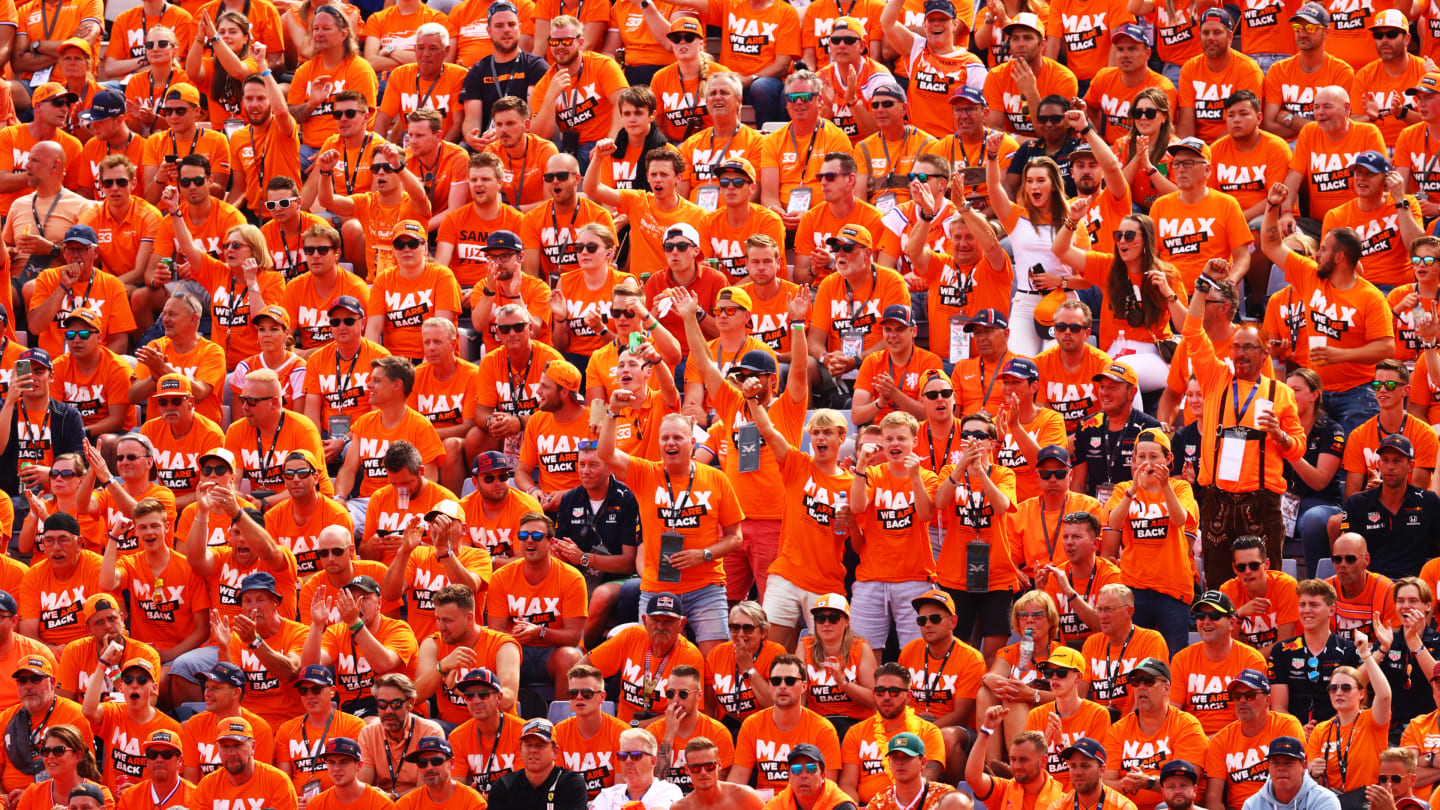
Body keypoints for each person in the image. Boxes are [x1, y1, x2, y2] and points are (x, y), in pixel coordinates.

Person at [1101, 429, 1200, 655]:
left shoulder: (1180, 488)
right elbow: (1114, 523)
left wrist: (1165, 486)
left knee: (1173, 659)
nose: (1147, 463)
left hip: (1173, 589)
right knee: (1136, 659)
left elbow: (1179, 519)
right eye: (1141, 457)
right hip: (1134, 588)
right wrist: (1132, 491)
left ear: (1168, 460)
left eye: (1154, 457)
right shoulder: (1122, 489)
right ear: (1133, 460)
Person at [484, 511, 585, 701]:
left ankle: (562, 721)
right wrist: (518, 636)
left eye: (537, 536)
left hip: (554, 651)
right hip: (515, 649)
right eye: (523, 536)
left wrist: (540, 632)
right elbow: (496, 632)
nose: (529, 541)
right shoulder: (501, 577)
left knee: (570, 657)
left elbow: (572, 637)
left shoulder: (572, 578)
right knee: (490, 652)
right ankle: (505, 719)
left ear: (551, 542)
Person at [581, 593, 706, 726]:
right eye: (655, 620)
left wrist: (637, 727)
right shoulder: (630, 637)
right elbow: (582, 670)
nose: (661, 627)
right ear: (645, 621)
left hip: (665, 734)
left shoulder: (690, 656)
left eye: (668, 621)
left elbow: (688, 713)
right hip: (622, 731)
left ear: (682, 624)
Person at [300, 575, 417, 716]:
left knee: (368, 726)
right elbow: (309, 667)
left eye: (364, 599)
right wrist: (317, 625)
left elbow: (384, 663)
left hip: (395, 706)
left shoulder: (399, 629)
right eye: (352, 598)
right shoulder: (337, 632)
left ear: (379, 603)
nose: (357, 604)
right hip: (351, 710)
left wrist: (355, 624)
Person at [1100, 661, 1208, 810]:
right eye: (1136, 682)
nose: (1141, 687)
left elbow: (1185, 782)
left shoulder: (1186, 726)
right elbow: (1105, 783)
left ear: (1166, 688)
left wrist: (1148, 782)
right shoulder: (1118, 729)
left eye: (1149, 681)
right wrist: (1127, 784)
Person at [730, 654, 842, 794]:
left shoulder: (823, 730)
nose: (782, 686)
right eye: (776, 681)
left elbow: (828, 789)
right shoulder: (752, 724)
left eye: (790, 681)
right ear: (770, 686)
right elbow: (737, 779)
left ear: (804, 686)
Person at [412, 584, 521, 724]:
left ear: (469, 617)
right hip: (450, 729)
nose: (440, 627)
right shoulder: (433, 644)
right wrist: (442, 666)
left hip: (495, 728)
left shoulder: (503, 646)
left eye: (448, 621)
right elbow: (415, 696)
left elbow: (507, 701)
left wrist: (459, 690)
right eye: (438, 619)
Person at [1336, 434, 1440, 579]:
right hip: (1371, 585)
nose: (1390, 467)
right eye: (1385, 460)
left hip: (1413, 587)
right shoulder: (1358, 504)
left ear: (1411, 466)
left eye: (1397, 461)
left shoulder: (1428, 502)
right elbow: (1346, 553)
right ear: (1378, 465)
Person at [838, 662, 944, 804]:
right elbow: (847, 784)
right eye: (880, 691)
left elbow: (926, 781)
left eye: (894, 691)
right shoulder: (856, 732)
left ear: (908, 697)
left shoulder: (929, 732)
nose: (886, 697)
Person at [1204, 669, 1305, 810]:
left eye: (1250, 695)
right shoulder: (1222, 739)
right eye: (1237, 696)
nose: (1242, 701)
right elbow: (1213, 799)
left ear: (1268, 700)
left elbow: (1299, 780)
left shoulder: (1286, 726)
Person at [1167, 592, 1267, 734]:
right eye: (1200, 616)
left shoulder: (1251, 660)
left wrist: (1214, 742)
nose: (1206, 621)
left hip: (1237, 740)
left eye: (1214, 616)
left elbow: (1254, 718)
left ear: (1232, 623)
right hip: (1194, 740)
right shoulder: (1182, 659)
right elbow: (1173, 713)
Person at [1306, 634, 1392, 793]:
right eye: (1333, 688)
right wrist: (1312, 771)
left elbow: (1385, 696)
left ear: (1361, 694)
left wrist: (1365, 654)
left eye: (1346, 688)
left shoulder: (1372, 720)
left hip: (1369, 801)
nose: (1338, 693)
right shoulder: (1320, 730)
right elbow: (1313, 781)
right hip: (1334, 802)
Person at [1284, 368, 1346, 580]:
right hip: (1284, 502)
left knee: (1313, 520)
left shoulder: (1331, 429)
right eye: (1286, 390)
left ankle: (1317, 587)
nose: (1290, 396)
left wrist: (1288, 449)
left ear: (1314, 395)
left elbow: (1320, 481)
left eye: (1296, 390)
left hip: (1322, 502)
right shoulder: (1281, 427)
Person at [1270, 579, 1361, 725]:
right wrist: (1299, 730)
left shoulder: (1348, 650)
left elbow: (1355, 704)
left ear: (1331, 610)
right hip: (1295, 733)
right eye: (1302, 605)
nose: (1306, 610)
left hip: (1338, 730)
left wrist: (1322, 732)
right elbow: (1278, 707)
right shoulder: (1282, 650)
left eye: (1314, 605)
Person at [272, 665, 366, 793]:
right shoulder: (286, 730)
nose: (309, 696)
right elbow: (284, 781)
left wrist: (322, 802)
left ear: (332, 691)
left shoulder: (354, 726)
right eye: (303, 691)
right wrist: (294, 802)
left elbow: (360, 779)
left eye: (316, 689)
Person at [457, 4, 549, 135]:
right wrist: (472, 137)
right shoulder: (478, 70)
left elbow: (534, 116)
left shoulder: (535, 66)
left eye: (511, 24)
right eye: (499, 26)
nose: (506, 30)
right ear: (488, 31)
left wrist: (503, 135)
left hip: (523, 140)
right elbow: (471, 120)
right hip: (487, 143)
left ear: (520, 28)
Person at [1080, 584, 1171, 717]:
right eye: (1099, 609)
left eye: (1108, 610)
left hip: (1136, 726)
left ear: (1129, 612)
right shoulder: (1092, 643)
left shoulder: (1150, 640)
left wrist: (1120, 732)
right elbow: (1078, 695)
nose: (1102, 616)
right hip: (1101, 724)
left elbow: (1148, 698)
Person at [178, 663, 274, 780]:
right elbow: (191, 783)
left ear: (236, 692)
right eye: (207, 687)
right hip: (205, 797)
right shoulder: (195, 725)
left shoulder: (259, 729)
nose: (207, 694)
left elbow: (260, 781)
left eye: (216, 688)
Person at [356, 674, 444, 799]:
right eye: (382, 704)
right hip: (381, 804)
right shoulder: (368, 733)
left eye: (396, 703)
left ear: (411, 703)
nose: (388, 711)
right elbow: (363, 786)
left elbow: (427, 788)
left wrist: (394, 797)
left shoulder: (431, 732)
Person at [651, 664, 736, 790]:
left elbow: (719, 788)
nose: (676, 700)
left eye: (683, 694)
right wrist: (669, 735)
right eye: (670, 693)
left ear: (699, 696)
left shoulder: (718, 732)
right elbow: (655, 782)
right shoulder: (653, 732)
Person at [1218, 535, 1300, 659]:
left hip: (1287, 661)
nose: (1247, 571)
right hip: (1248, 666)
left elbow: (1285, 645)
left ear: (1266, 564)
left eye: (1254, 565)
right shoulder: (1227, 591)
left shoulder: (1287, 586)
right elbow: (1225, 645)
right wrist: (1239, 616)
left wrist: (1247, 659)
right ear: (1234, 568)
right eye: (1241, 567)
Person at [552, 663, 627, 797]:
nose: (579, 697)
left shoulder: (621, 733)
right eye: (573, 693)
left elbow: (620, 792)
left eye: (587, 693)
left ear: (602, 697)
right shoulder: (558, 733)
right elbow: (558, 789)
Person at [190, 717, 297, 810]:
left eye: (237, 745)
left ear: (253, 747)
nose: (231, 753)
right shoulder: (207, 786)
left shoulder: (278, 782)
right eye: (225, 746)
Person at [448, 667, 523, 795]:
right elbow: (456, 790)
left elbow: (524, 786)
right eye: (470, 696)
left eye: (484, 695)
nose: (476, 701)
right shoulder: (457, 737)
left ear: (499, 698)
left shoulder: (521, 731)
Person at [487, 719, 590, 809]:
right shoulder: (504, 786)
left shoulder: (571, 784)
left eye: (540, 745)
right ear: (520, 750)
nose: (533, 750)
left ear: (555, 752)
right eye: (528, 745)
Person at [967, 715, 1065, 809]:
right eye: (1013, 759)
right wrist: (985, 731)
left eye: (1023, 760)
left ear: (1043, 761)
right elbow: (973, 777)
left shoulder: (1063, 801)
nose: (1017, 766)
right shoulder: (1003, 790)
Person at [590, 728, 683, 810]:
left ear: (653, 761)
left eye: (636, 755)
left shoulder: (668, 791)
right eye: (623, 756)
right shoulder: (607, 796)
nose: (628, 761)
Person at [1239, 737, 1341, 810]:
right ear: (1268, 767)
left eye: (1288, 763)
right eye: (1275, 763)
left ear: (1303, 766)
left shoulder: (1324, 800)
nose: (1281, 768)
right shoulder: (1252, 805)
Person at [395, 737, 488, 810]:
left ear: (451, 763)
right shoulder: (407, 804)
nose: (429, 767)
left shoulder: (472, 802)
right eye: (422, 763)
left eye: (436, 761)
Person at [305, 737, 395, 810]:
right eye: (331, 762)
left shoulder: (381, 804)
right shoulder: (317, 805)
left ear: (359, 765)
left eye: (344, 762)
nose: (336, 768)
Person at [115, 730, 197, 810]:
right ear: (147, 760)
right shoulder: (129, 797)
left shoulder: (196, 797)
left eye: (166, 754)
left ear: (180, 761)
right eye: (152, 754)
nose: (159, 759)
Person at [763, 744, 856, 810]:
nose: (803, 775)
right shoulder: (777, 805)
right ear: (789, 777)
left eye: (811, 769)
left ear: (823, 776)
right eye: (796, 769)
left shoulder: (841, 805)